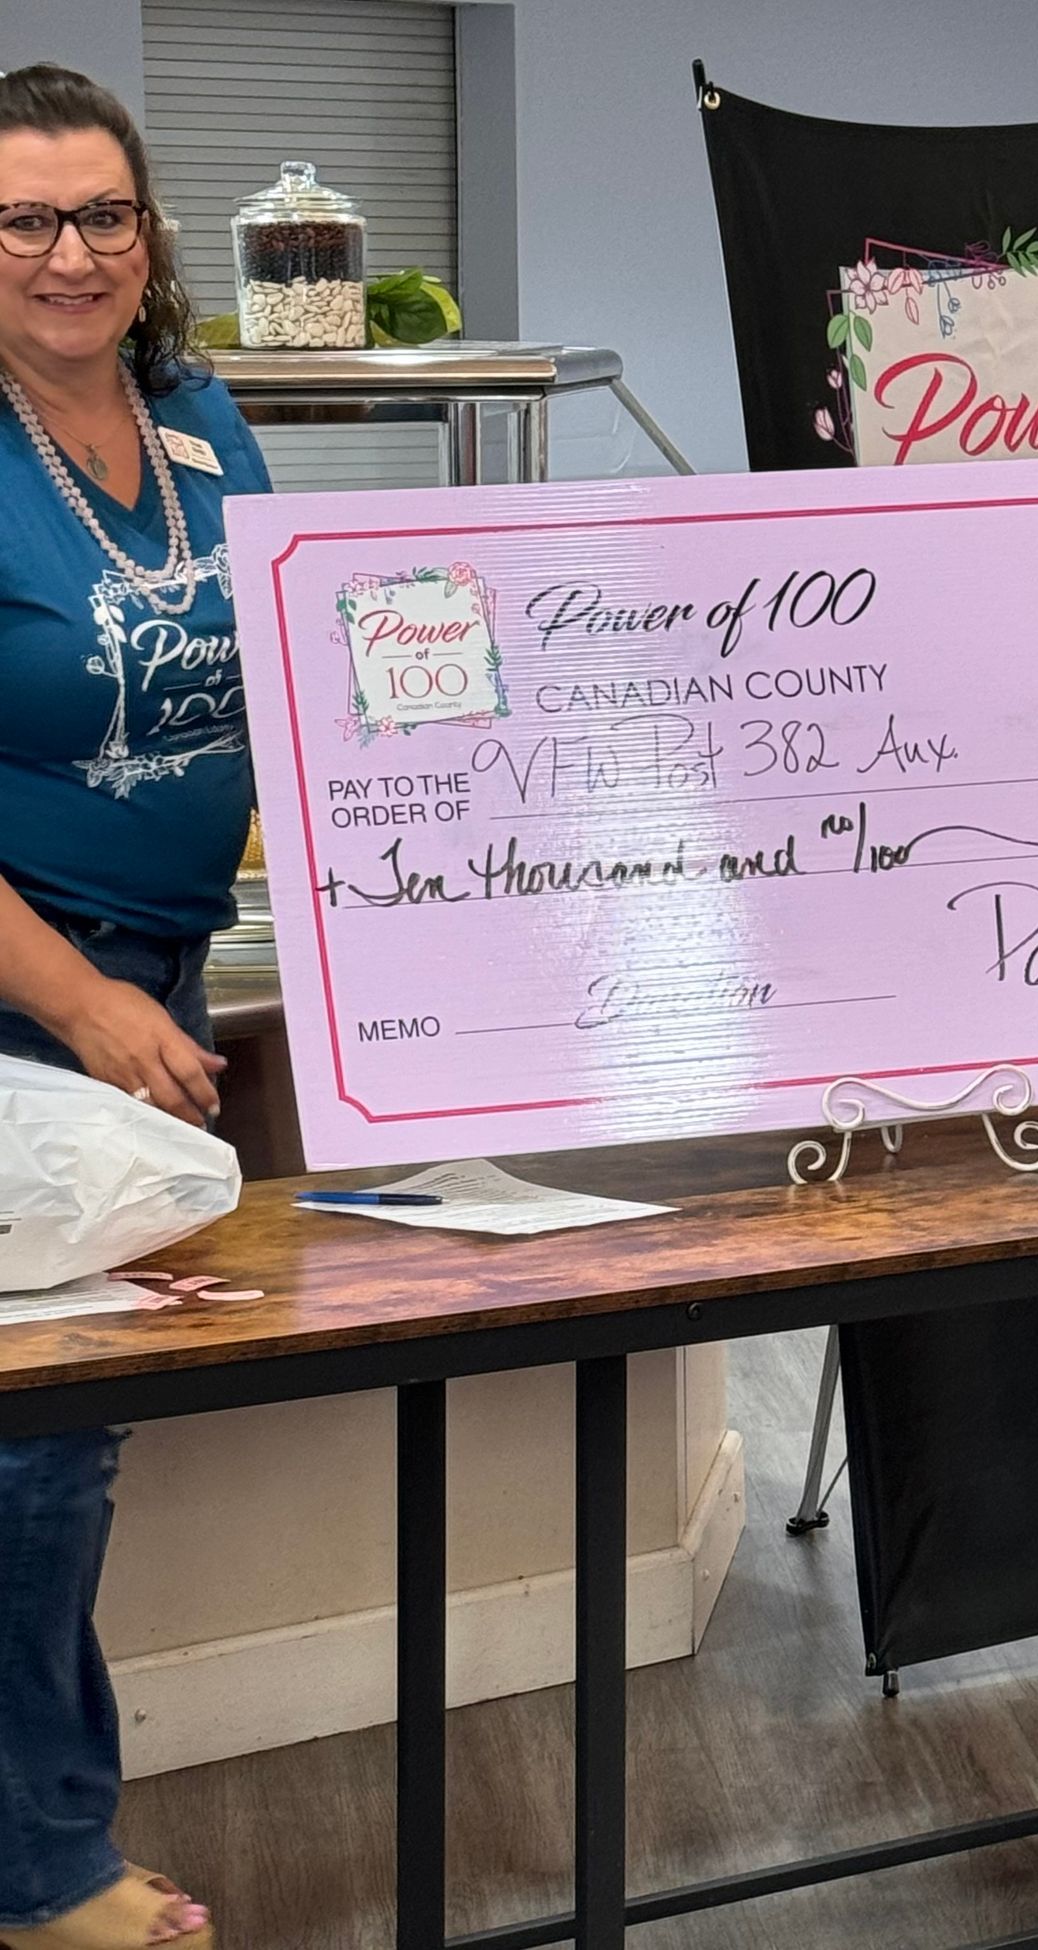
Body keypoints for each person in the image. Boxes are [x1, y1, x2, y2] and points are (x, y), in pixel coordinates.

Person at [0, 63, 271, 1950]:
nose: (70, 253)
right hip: (34, 1001)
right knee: (39, 1458)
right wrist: (88, 1006)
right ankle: (44, 1870)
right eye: (22, 219)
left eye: (103, 213)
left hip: (163, 979)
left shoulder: (202, 415)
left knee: (70, 1448)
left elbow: (296, 669)